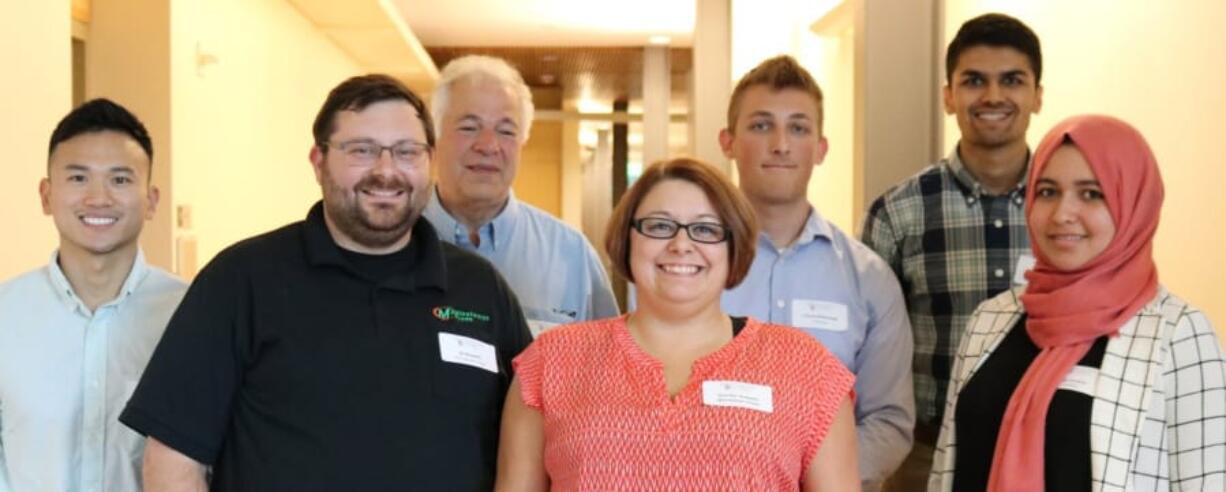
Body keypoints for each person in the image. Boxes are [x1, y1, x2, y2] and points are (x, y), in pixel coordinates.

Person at [120, 74, 533, 490]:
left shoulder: (481, 290)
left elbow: (533, 444)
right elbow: (173, 456)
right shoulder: (241, 280)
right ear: (319, 162)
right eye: (362, 150)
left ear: (429, 161)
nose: (386, 171)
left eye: (407, 152)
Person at [496, 157, 858, 491]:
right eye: (659, 226)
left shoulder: (807, 370)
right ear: (628, 238)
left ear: (734, 246)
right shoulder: (550, 363)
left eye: (705, 229)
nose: (681, 244)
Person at [929, 115, 1226, 490]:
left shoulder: (1177, 334)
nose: (1062, 214)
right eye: (1048, 192)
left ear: (1134, 203)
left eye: (1092, 194)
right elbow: (945, 470)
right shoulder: (991, 319)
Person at [860, 13, 1043, 487]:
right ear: (948, 96)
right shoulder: (898, 214)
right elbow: (872, 350)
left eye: (1013, 81)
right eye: (974, 81)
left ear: (1037, 95)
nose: (994, 96)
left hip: (1046, 450)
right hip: (927, 456)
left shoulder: (1070, 207)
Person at [718, 55, 913, 490]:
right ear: (727, 141)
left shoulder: (870, 280)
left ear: (821, 148)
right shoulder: (688, 268)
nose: (781, 144)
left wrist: (818, 480)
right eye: (761, 125)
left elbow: (889, 419)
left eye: (799, 128)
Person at [0, 99, 187, 491]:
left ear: (151, 201)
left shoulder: (190, 315)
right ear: (46, 195)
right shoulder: (6, 314)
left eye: (120, 180)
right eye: (78, 178)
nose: (98, 198)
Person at [423, 55, 618, 335]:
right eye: (469, 127)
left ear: (522, 142)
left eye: (506, 131)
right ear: (433, 135)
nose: (489, 145)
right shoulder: (391, 241)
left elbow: (607, 366)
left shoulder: (572, 256)